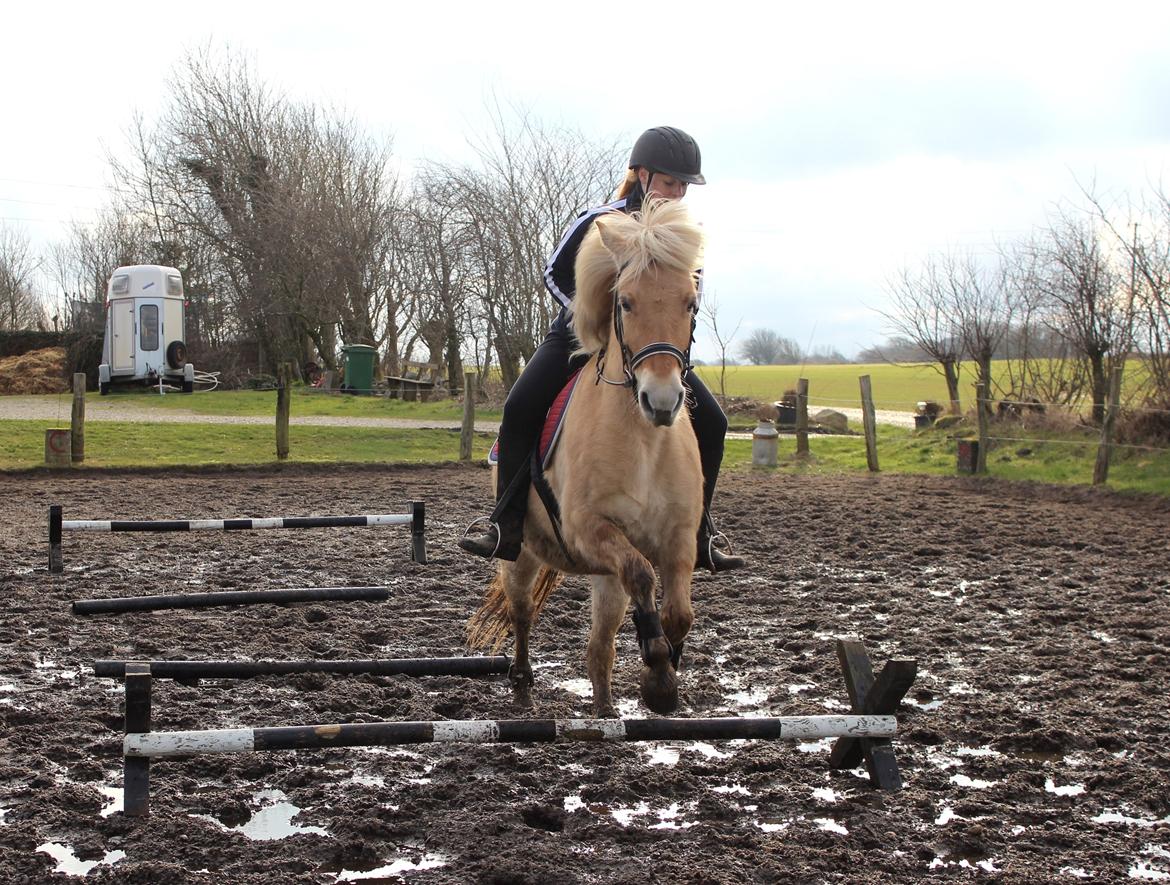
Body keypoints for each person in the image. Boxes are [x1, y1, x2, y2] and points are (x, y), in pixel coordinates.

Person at [459, 125, 745, 572]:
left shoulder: (684, 237)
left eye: (685, 185)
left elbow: (691, 295)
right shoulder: (601, 220)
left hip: (648, 348)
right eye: (671, 182)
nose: (679, 192)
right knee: (519, 408)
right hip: (579, 338)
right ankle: (505, 524)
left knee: (714, 422)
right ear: (644, 175)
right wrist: (598, 317)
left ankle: (701, 530)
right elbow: (554, 274)